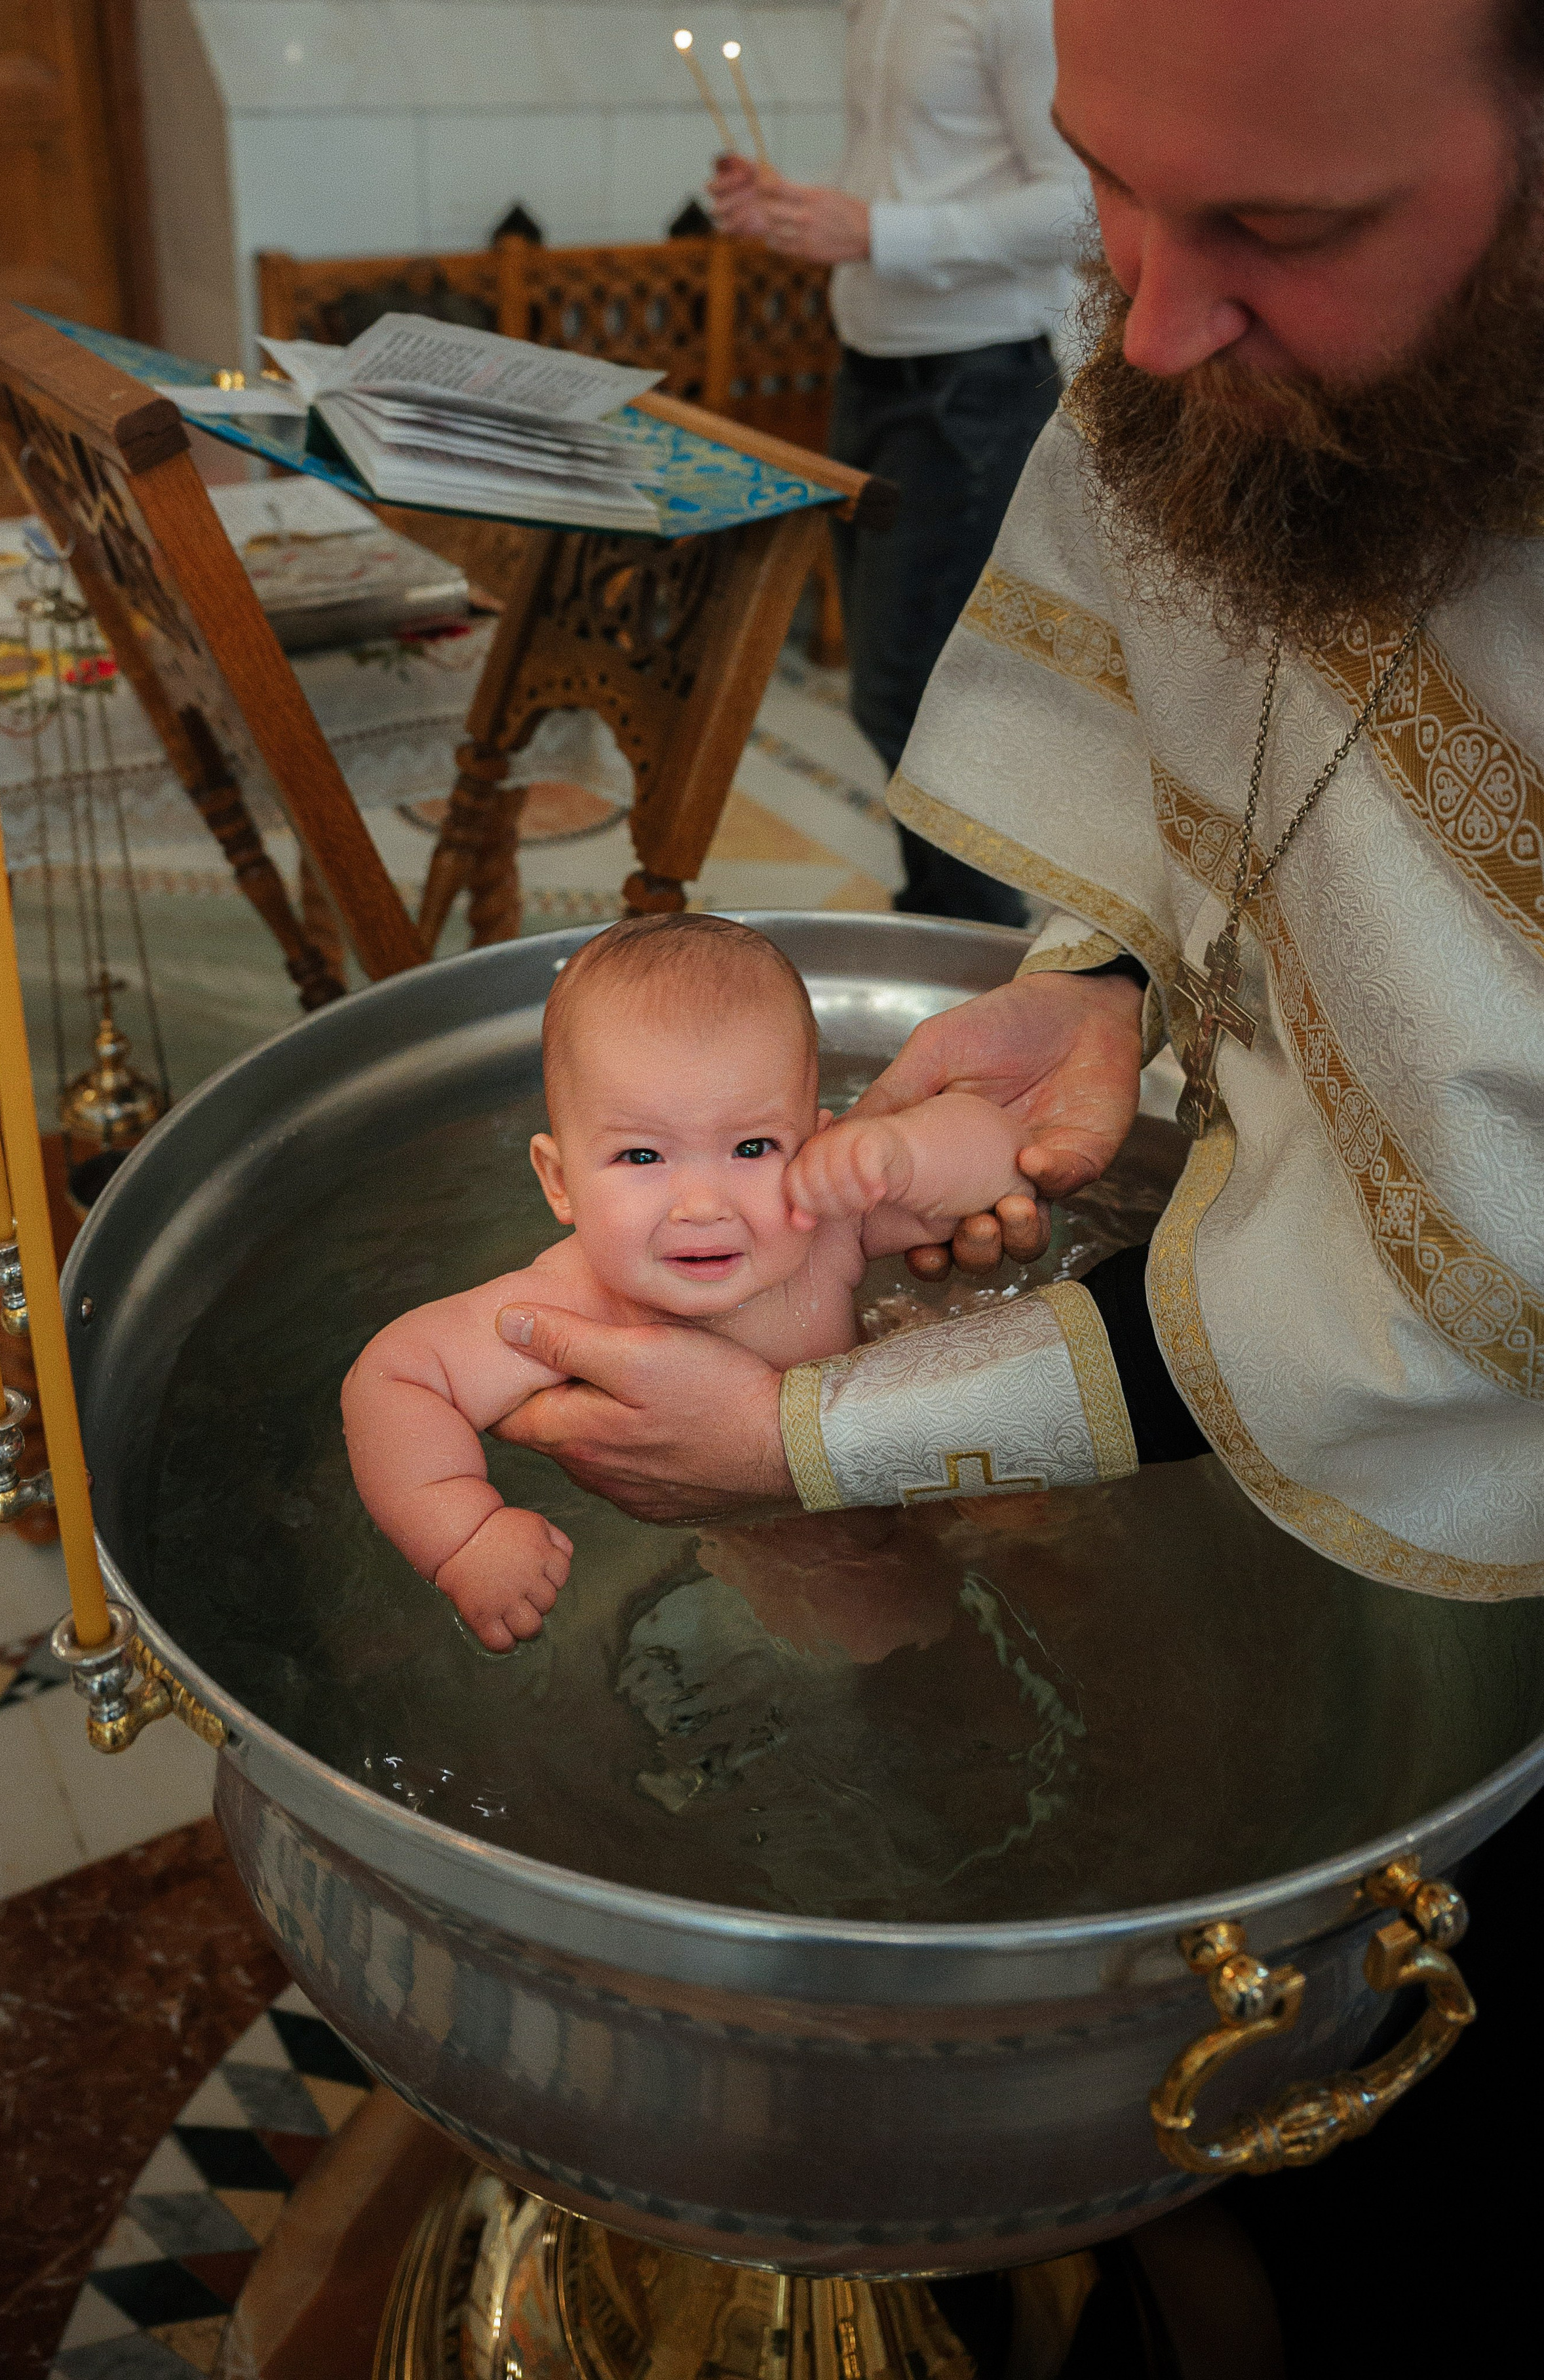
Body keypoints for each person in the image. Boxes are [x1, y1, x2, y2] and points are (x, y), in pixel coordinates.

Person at [486, 0, 1544, 1600]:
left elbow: (1478, 1293)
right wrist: (1104, 974)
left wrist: (823, 1437)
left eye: (1274, 225)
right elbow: (1207, 721)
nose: (1147, 331)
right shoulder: (1210, 336)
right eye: (1103, 180)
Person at [341, 913, 1030, 1647]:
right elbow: (395, 1377)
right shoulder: (563, 1306)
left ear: (816, 1141)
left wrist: (904, 1153)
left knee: (1039, 1484)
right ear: (558, 1179)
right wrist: (466, 1534)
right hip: (788, 1536)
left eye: (752, 1146)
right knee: (883, 1628)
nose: (703, 1205)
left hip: (906, 1440)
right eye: (642, 1157)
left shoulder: (823, 1219)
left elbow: (1005, 1168)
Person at [708, 0, 1085, 925]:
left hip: (974, 382)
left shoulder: (1016, 9)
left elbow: (1083, 205)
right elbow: (907, 175)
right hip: (870, 372)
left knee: (913, 695)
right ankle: (945, 916)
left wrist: (876, 232)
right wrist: (795, 208)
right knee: (893, 694)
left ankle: (972, 934)